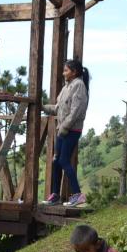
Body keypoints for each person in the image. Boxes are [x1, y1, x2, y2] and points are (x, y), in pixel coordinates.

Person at [42, 59, 90, 207]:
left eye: (66, 70)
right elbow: (58, 108)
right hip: (63, 130)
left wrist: (64, 127)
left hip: (72, 129)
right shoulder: (66, 87)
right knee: (56, 161)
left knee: (63, 160)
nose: (63, 73)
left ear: (74, 72)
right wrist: (42, 107)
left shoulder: (79, 86)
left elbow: (76, 111)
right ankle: (55, 195)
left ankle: (78, 195)